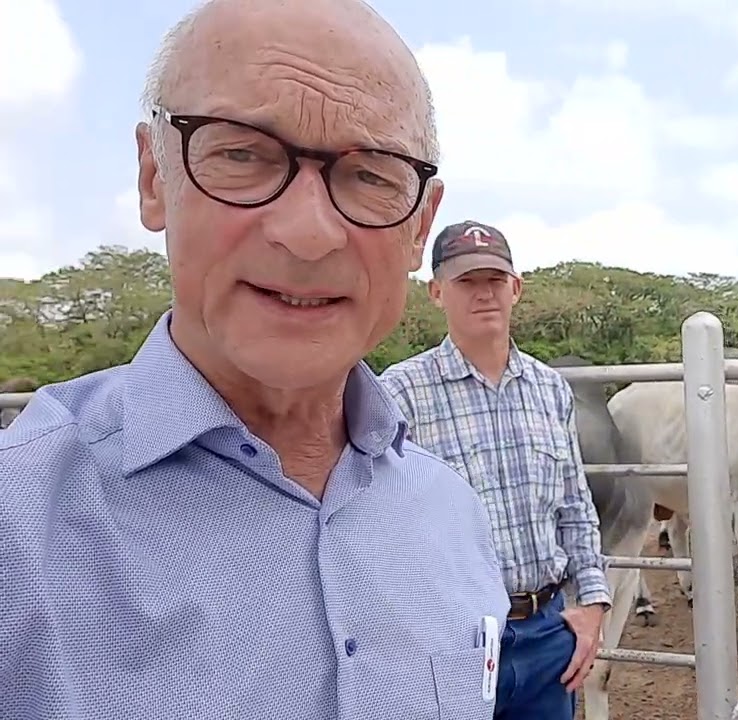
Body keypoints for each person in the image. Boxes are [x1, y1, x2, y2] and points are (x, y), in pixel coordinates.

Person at [0, 2, 510, 719]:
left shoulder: (452, 519)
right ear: (154, 179)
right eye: (242, 154)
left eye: (371, 176)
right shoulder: (18, 534)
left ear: (420, 223)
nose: (308, 234)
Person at [380, 221, 612, 720]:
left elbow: (575, 507)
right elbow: (378, 527)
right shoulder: (399, 394)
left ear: (516, 288)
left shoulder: (551, 390)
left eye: (494, 280)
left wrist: (592, 607)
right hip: (449, 639)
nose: (483, 293)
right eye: (466, 281)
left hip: (547, 633)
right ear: (437, 291)